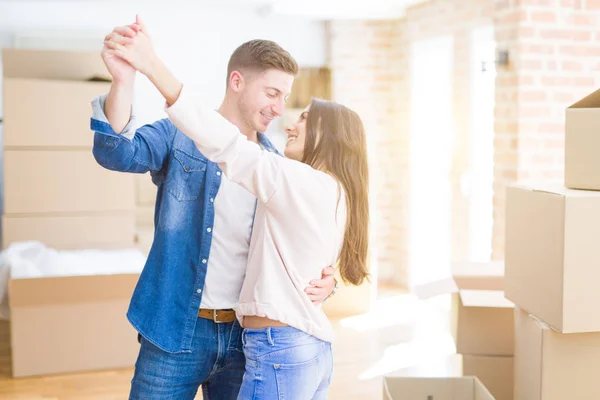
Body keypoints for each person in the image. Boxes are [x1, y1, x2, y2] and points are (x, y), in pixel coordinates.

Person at [104, 16, 370, 400]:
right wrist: (123, 80)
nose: (280, 109)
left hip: (246, 338)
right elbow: (118, 152)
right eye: (272, 93)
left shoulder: (279, 167)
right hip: (177, 328)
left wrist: (326, 282)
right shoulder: (179, 135)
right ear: (237, 81)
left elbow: (307, 240)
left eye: (286, 98)